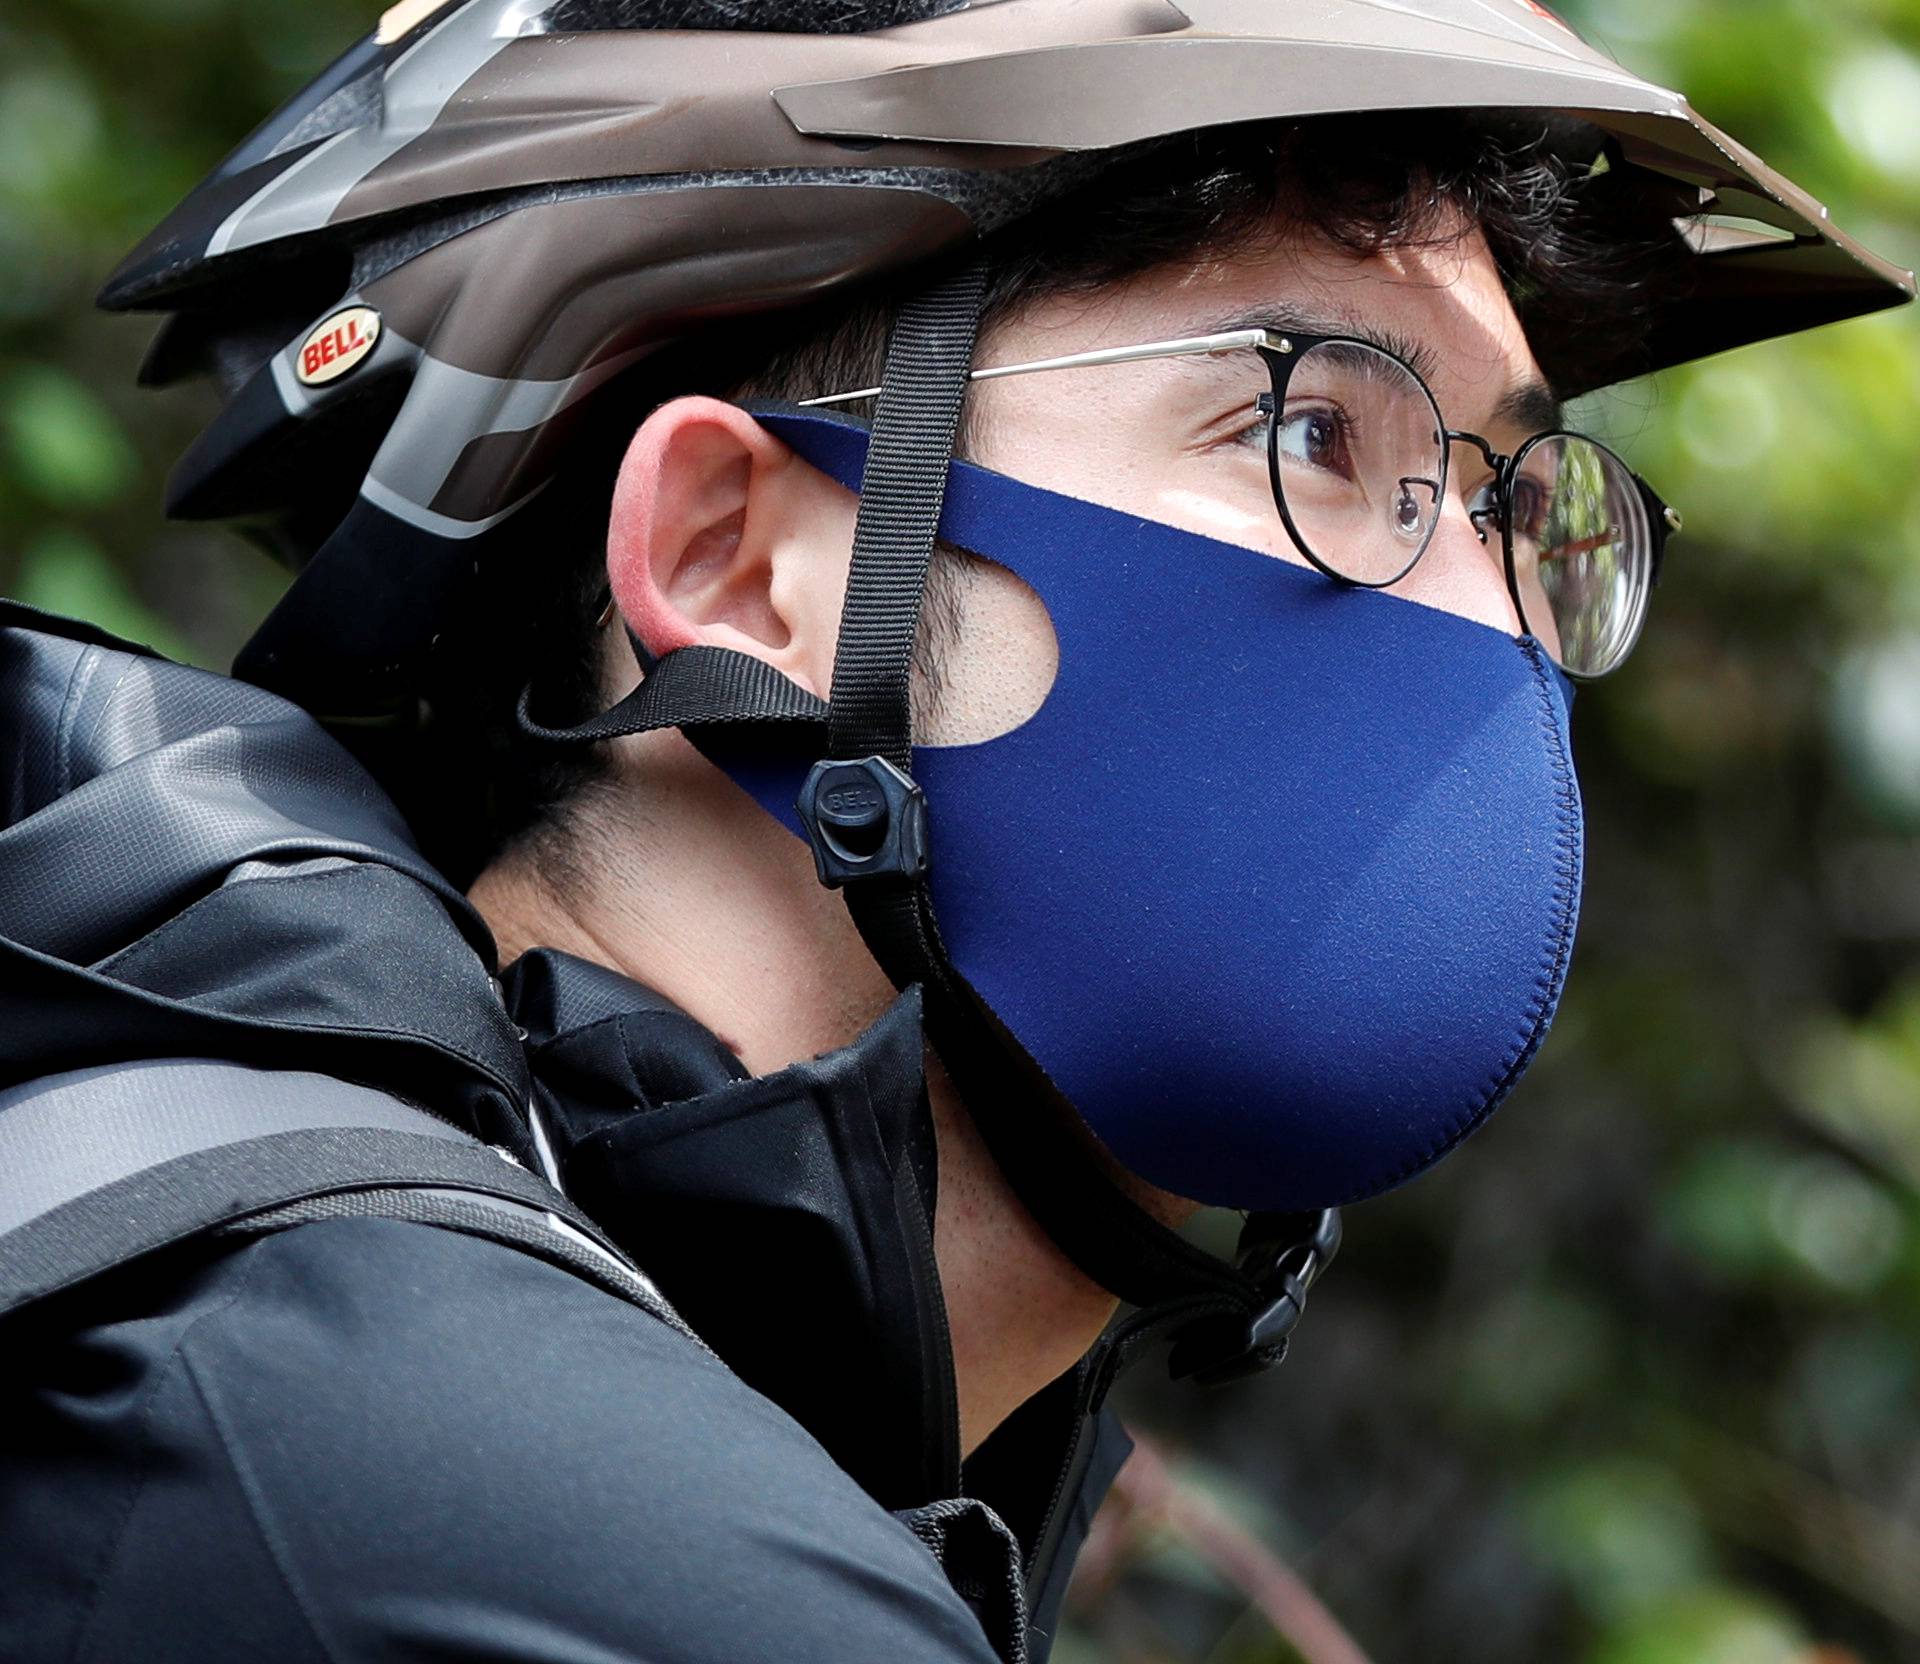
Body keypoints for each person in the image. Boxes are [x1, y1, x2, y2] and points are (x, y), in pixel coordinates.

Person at [0, 1, 1910, 1660]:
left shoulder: (346, 1321)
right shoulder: (533, 1539)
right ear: (737, 561)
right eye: (1319, 431)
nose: (1491, 624)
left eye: (1510, 505)